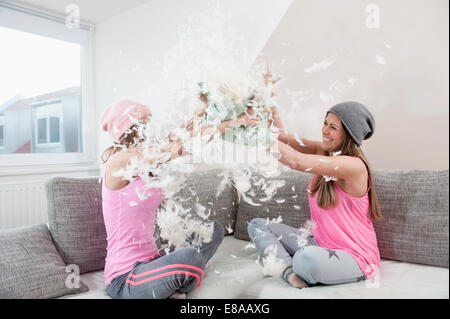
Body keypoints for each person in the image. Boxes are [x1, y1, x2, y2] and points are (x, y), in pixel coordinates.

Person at [100, 98, 258, 299]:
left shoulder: (143, 157)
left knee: (213, 230)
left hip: (152, 261)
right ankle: (182, 277)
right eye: (144, 124)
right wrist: (227, 125)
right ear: (130, 128)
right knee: (190, 256)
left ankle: (176, 280)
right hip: (125, 278)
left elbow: (181, 134)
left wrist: (204, 110)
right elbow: (176, 148)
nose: (150, 129)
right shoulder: (119, 160)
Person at [248, 101, 382, 288]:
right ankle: (289, 272)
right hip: (319, 242)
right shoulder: (327, 152)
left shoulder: (354, 166)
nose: (325, 130)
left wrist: (258, 135)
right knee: (258, 226)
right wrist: (271, 107)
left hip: (354, 256)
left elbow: (296, 160)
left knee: (305, 259)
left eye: (333, 127)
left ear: (349, 134)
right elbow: (284, 139)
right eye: (325, 123)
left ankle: (298, 266)